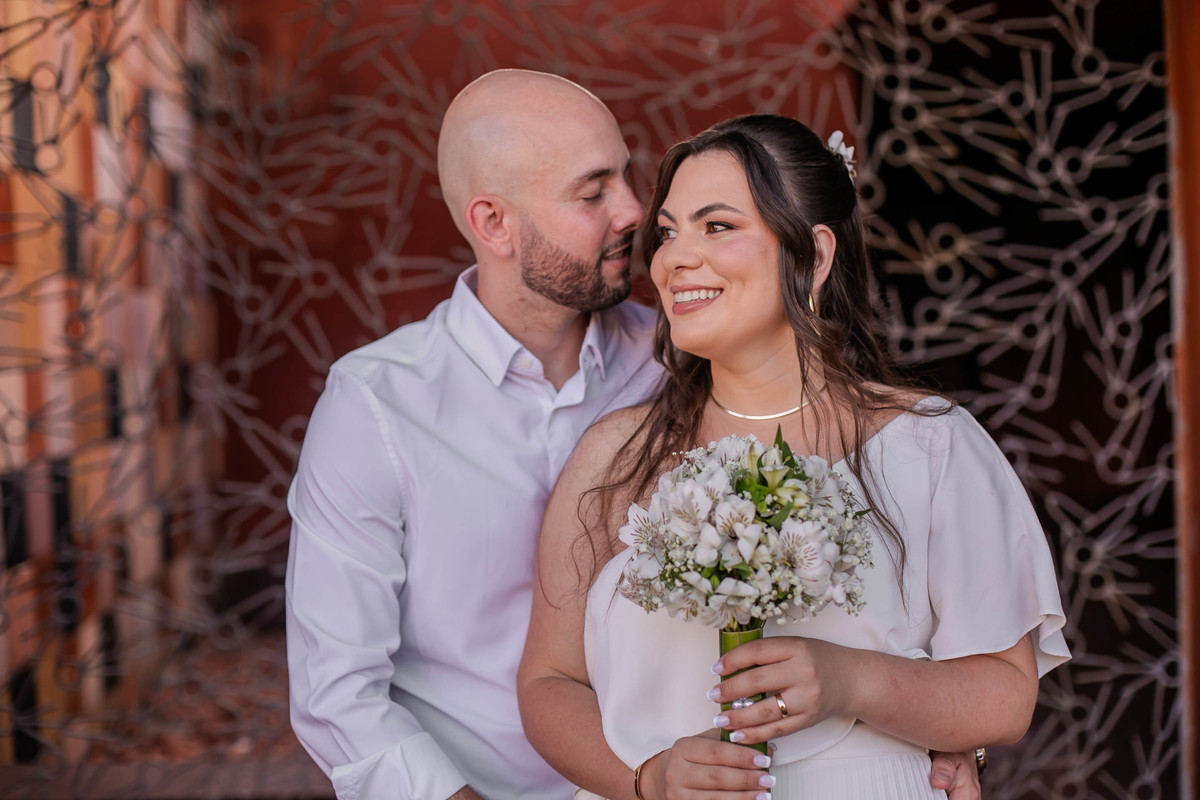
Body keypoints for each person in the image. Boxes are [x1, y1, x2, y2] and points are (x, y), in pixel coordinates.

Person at [286, 69, 984, 800]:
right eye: (592, 194)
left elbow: (857, 560)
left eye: (627, 176)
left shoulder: (692, 364)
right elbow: (339, 695)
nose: (633, 211)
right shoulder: (376, 407)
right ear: (494, 223)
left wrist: (933, 733)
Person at [518, 114, 1070, 800]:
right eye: (667, 233)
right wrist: (648, 779)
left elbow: (1006, 693)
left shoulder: (932, 444)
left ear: (813, 255)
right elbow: (548, 683)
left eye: (716, 226)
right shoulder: (615, 456)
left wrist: (849, 680)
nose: (673, 259)